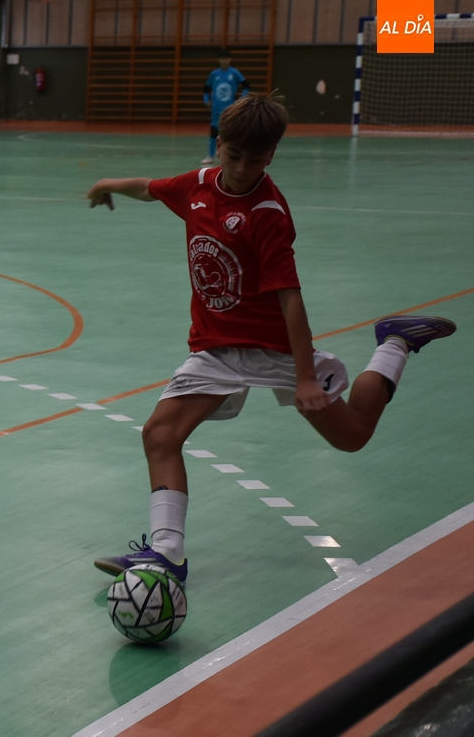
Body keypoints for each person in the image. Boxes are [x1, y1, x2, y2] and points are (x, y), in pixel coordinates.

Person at [84, 94, 455, 584]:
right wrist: (108, 184)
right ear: (219, 144)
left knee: (353, 437)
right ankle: (167, 552)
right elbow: (152, 189)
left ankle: (394, 343)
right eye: (234, 156)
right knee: (160, 434)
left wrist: (305, 378)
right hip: (216, 348)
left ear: (272, 155)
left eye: (255, 160)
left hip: (275, 348)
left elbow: (290, 299)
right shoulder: (198, 185)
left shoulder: (267, 213)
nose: (242, 169)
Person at [201, 47, 250, 165]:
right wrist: (207, 100)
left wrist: (242, 99)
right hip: (216, 109)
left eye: (226, 58)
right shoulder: (214, 74)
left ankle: (234, 155)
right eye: (222, 58)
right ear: (219, 60)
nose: (224, 61)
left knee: (231, 132)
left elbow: (246, 85)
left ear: (230, 59)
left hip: (230, 109)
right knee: (214, 131)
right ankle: (210, 156)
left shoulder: (234, 73)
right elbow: (206, 89)